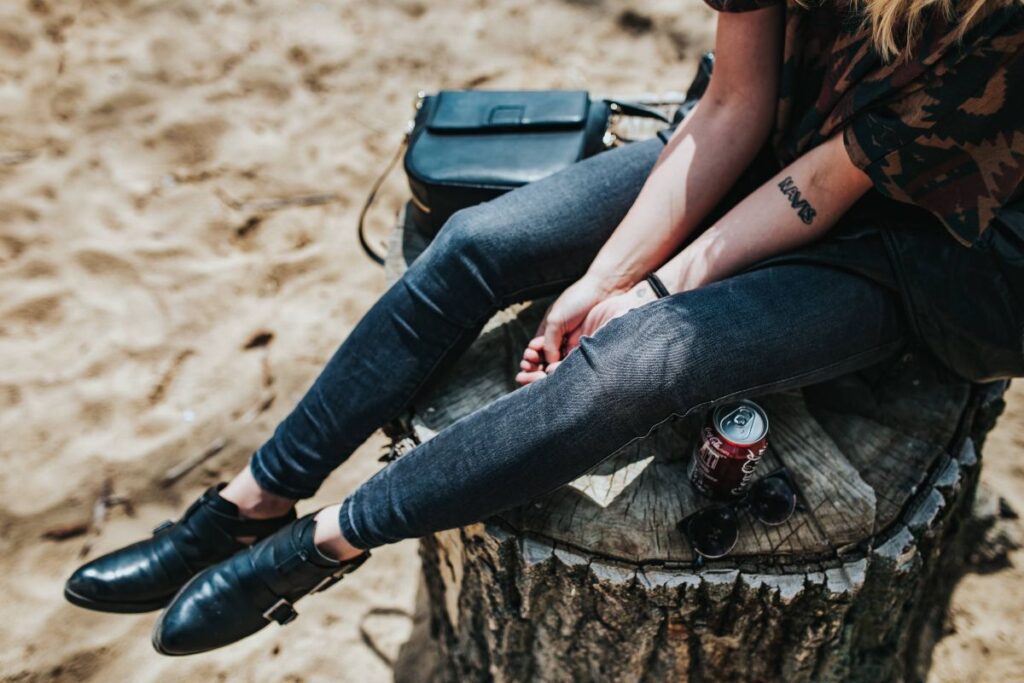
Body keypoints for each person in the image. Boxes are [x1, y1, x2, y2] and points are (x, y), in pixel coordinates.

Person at [65, 0, 1023, 656]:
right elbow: (736, 103)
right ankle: (246, 505)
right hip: (774, 134)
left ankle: (316, 548)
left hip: (912, 237)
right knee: (479, 242)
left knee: (640, 359)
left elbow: (824, 189)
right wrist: (606, 272)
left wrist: (646, 295)